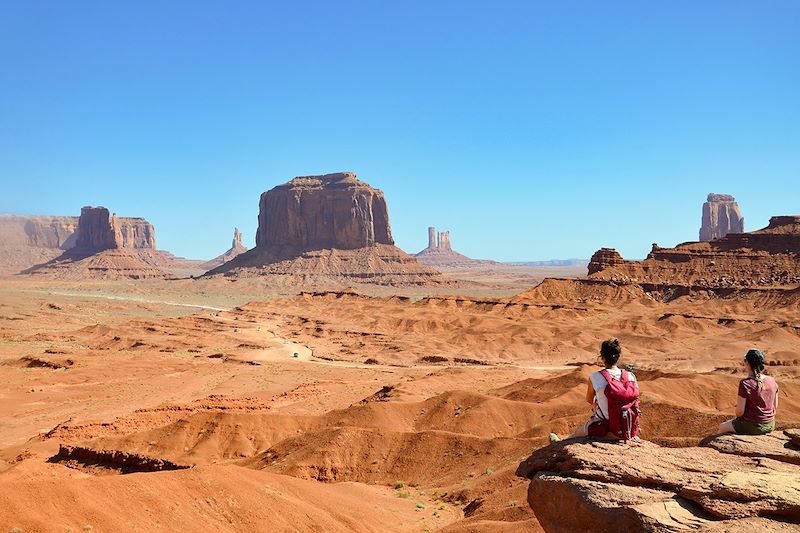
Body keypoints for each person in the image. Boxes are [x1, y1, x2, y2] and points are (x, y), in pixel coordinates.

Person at [550, 338, 640, 442]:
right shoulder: (631, 376)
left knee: (579, 432)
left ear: (602, 357)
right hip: (628, 430)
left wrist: (597, 403)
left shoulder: (595, 377)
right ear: (618, 357)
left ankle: (559, 443)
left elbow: (589, 400)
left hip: (607, 430)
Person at [717, 349, 779, 435]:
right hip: (770, 425)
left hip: (752, 425)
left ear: (747, 363)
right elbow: (775, 406)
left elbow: (739, 412)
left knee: (722, 427)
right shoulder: (772, 380)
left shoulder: (745, 383)